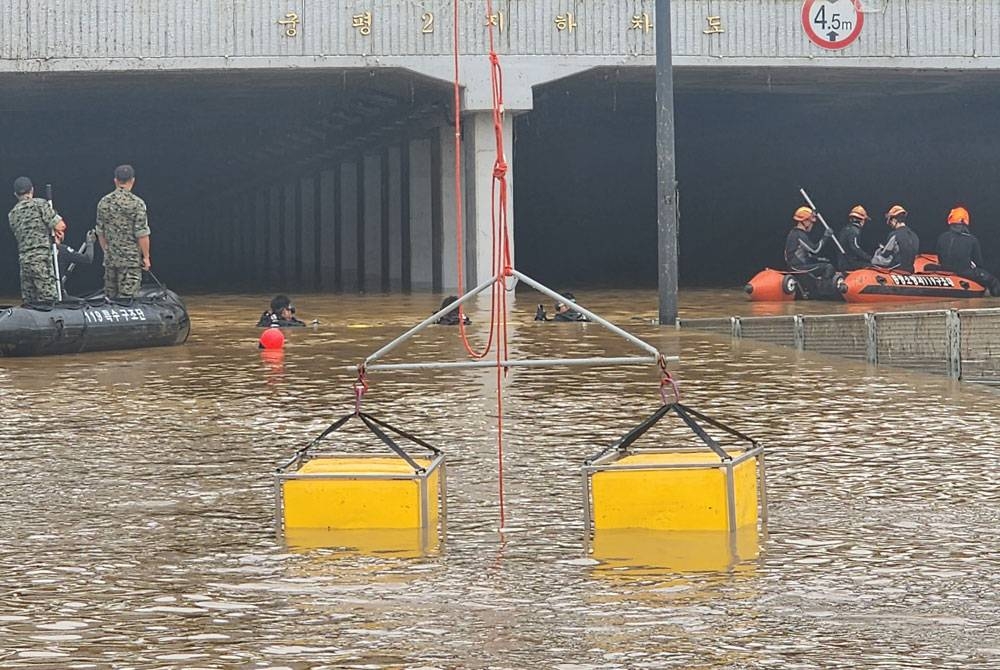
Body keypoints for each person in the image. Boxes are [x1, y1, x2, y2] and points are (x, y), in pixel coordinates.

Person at [95, 164, 150, 299]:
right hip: (130, 261)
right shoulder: (137, 203)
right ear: (132, 180)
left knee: (111, 299)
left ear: (115, 180)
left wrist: (107, 251)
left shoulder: (104, 202)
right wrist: (146, 257)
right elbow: (142, 234)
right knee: (128, 300)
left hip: (110, 260)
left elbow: (100, 232)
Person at [8, 176, 63, 304]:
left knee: (30, 301)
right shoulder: (40, 204)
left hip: (24, 260)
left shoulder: (12, 214)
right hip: (41, 258)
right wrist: (58, 235)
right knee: (48, 299)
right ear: (32, 190)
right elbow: (60, 225)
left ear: (16, 194)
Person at [934, 206, 1000, 296]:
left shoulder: (942, 237)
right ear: (965, 222)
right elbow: (979, 262)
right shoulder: (972, 239)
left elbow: (939, 256)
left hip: (944, 268)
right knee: (993, 281)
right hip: (963, 271)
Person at [784, 206, 842, 298]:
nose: (812, 225)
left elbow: (805, 254)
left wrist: (818, 259)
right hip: (797, 267)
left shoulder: (794, 233)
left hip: (796, 266)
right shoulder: (799, 235)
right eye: (811, 222)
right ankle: (823, 293)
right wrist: (825, 237)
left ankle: (816, 287)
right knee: (828, 267)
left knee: (824, 263)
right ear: (805, 221)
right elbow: (815, 249)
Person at [872, 204, 919, 273]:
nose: (890, 224)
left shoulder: (894, 235)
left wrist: (880, 250)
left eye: (890, 221)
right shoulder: (915, 236)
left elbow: (885, 254)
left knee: (874, 260)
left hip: (897, 270)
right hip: (910, 271)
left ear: (894, 220)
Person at [837, 205, 874, 271]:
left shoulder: (845, 229)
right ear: (862, 220)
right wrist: (870, 258)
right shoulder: (854, 230)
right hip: (849, 263)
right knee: (872, 267)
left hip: (843, 262)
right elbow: (855, 247)